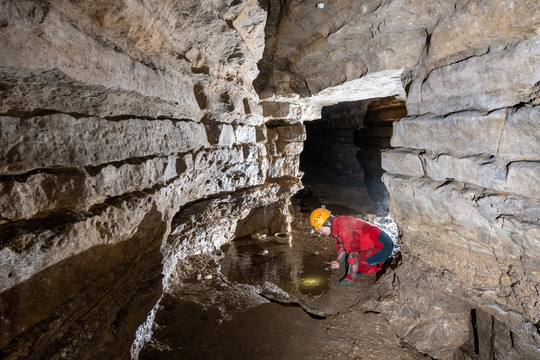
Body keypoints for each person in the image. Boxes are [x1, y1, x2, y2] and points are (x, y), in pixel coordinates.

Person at [310, 207, 394, 287]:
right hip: (372, 243)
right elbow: (341, 247)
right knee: (346, 262)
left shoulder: (344, 229)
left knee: (356, 267)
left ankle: (383, 264)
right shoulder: (336, 225)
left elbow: (353, 255)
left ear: (327, 223)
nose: (320, 233)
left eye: (320, 230)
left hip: (382, 246)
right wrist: (337, 260)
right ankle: (378, 261)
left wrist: (349, 278)